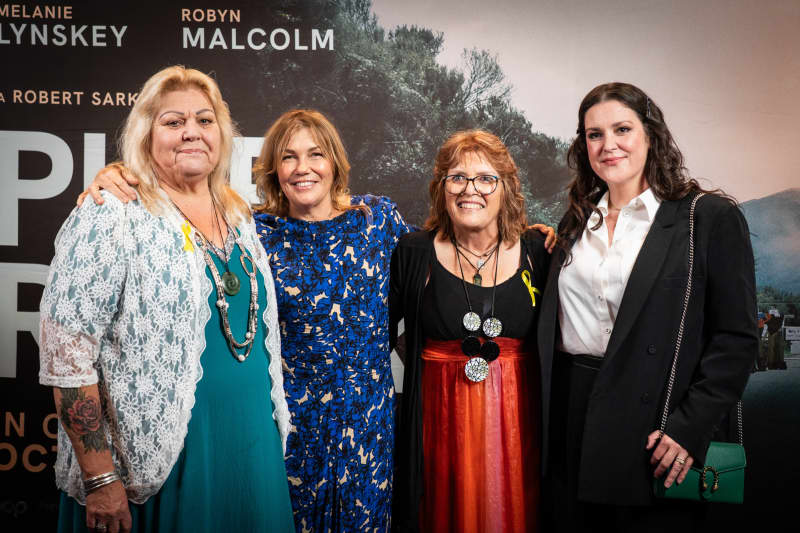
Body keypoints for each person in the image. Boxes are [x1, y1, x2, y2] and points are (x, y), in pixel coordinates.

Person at [81, 110, 556, 532]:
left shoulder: (378, 221)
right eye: (288, 157)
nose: (303, 167)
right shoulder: (251, 230)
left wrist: (531, 236)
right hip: (289, 429)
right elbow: (179, 202)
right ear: (273, 171)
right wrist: (118, 179)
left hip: (368, 427)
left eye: (315, 155)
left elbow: (453, 255)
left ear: (335, 164)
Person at [40, 66, 294, 533]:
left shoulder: (239, 215)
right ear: (146, 134)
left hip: (248, 451)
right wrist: (100, 478)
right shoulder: (110, 212)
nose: (191, 132)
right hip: (158, 470)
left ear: (223, 133)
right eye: (173, 122)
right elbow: (67, 354)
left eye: (204, 120)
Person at [537, 82, 757, 531]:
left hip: (658, 424)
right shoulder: (575, 222)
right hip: (571, 414)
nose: (608, 145)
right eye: (594, 134)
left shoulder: (707, 217)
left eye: (622, 129)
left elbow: (735, 339)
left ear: (651, 135)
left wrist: (688, 428)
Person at [390, 130, 550, 532]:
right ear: (442, 188)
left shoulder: (539, 251)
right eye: (456, 177)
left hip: (517, 429)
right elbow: (381, 330)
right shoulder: (413, 252)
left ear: (507, 188)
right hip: (438, 426)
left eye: (485, 178)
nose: (469, 190)